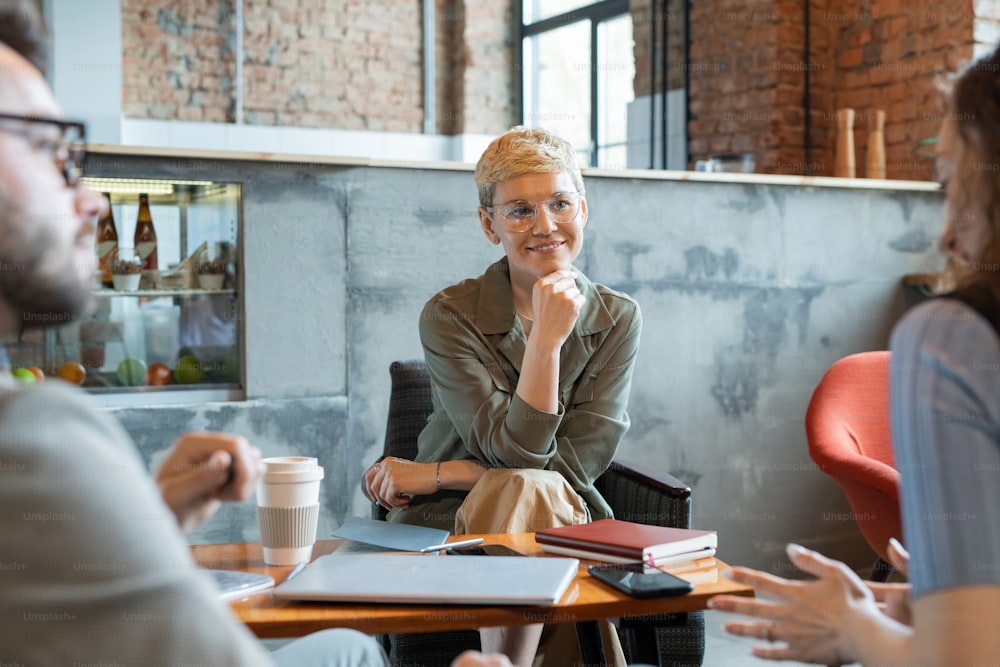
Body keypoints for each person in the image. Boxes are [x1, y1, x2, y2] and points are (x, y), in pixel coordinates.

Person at [0, 3, 386, 665]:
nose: (91, 197)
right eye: (49, 147)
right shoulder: (30, 432)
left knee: (342, 647)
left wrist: (146, 524)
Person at [708, 43, 1000, 666]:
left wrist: (853, 628)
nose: (946, 230)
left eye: (951, 182)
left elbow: (964, 660)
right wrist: (948, 599)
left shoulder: (953, 337)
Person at [364, 126, 641, 666]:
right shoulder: (449, 315)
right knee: (521, 488)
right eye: (519, 211)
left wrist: (447, 470)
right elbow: (513, 458)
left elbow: (575, 466)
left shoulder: (618, 317)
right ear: (489, 225)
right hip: (448, 525)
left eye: (560, 203)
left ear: (583, 209)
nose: (545, 226)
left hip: (564, 508)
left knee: (529, 492)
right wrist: (546, 340)